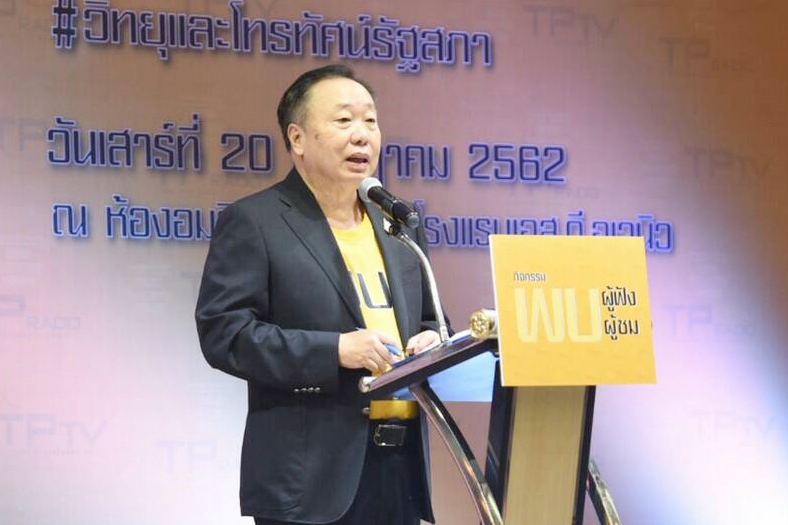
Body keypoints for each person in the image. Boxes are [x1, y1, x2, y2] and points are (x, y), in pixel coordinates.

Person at [195, 64, 443, 525]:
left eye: (370, 121)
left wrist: (432, 343)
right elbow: (224, 334)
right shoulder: (256, 222)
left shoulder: (399, 224)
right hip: (310, 480)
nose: (362, 135)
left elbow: (430, 321)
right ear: (298, 139)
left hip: (399, 467)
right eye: (344, 120)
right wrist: (335, 351)